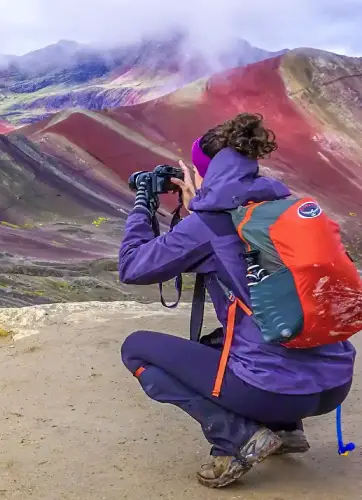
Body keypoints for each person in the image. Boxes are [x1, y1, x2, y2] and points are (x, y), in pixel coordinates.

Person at [117, 112, 355, 488]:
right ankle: (288, 432)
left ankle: (238, 437)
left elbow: (132, 267)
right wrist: (202, 207)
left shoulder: (209, 223)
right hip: (334, 384)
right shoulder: (280, 210)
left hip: (273, 392)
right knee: (224, 338)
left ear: (205, 173)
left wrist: (142, 205)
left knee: (137, 348)